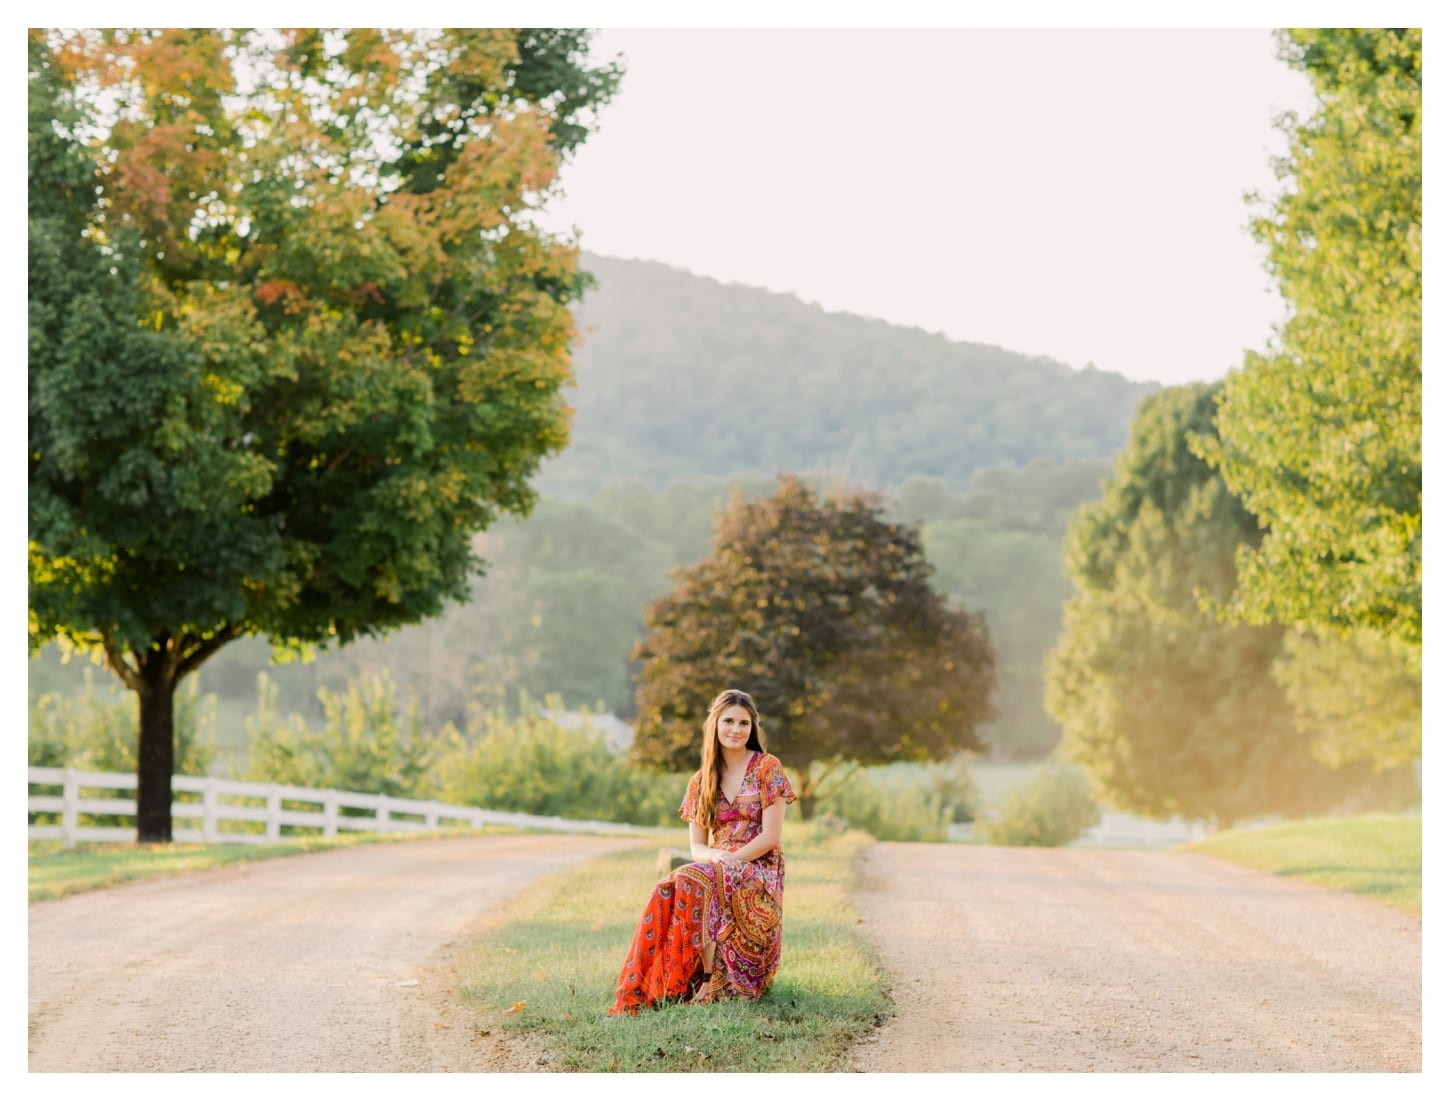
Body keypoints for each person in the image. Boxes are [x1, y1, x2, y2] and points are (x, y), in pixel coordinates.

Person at [607, 688, 796, 1015]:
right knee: (669, 885)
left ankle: (710, 981)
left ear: (753, 728)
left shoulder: (767, 768)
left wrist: (731, 860)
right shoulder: (700, 781)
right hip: (715, 866)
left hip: (760, 869)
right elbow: (698, 847)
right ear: (714, 725)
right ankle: (661, 980)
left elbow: (771, 836)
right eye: (728, 721)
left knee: (703, 879)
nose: (736, 729)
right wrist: (718, 857)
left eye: (744, 723)